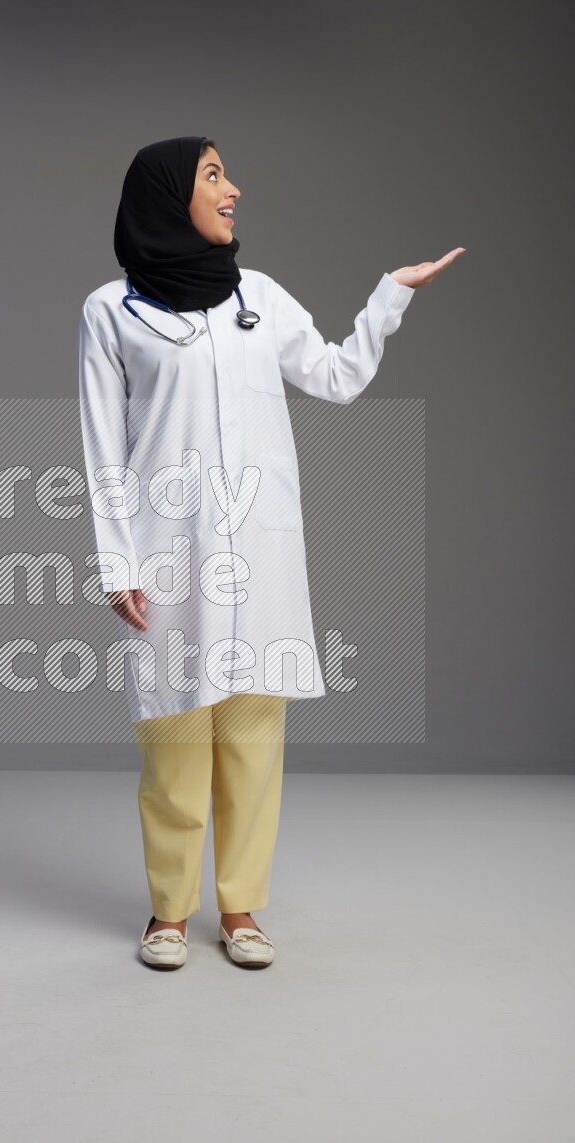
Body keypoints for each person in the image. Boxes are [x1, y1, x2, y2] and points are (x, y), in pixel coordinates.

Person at [78, 135, 464, 969]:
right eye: (214, 176)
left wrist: (387, 297)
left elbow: (335, 377)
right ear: (166, 196)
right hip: (167, 554)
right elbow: (102, 446)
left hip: (261, 551)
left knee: (253, 732)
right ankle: (169, 913)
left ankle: (242, 907)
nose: (235, 190)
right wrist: (115, 563)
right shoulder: (111, 311)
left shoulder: (258, 296)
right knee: (176, 736)